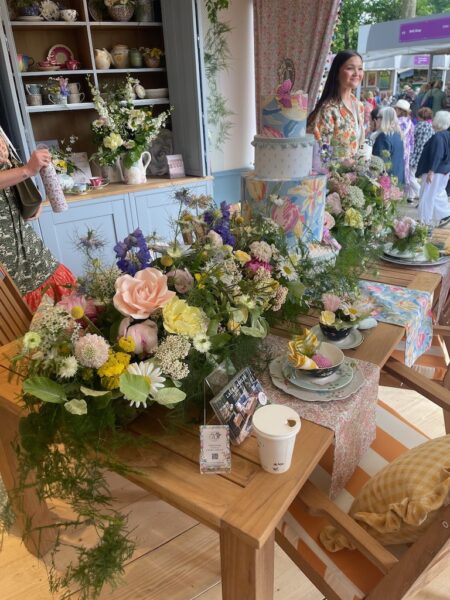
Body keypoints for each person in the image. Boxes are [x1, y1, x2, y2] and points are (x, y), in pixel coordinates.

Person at [0, 128, 76, 311]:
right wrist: (27, 170)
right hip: (4, 245)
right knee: (12, 310)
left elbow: (10, 173)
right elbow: (24, 171)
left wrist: (31, 201)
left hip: (22, 234)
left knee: (52, 282)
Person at [307, 50, 365, 160]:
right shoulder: (328, 109)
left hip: (352, 174)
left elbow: (358, 144)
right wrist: (343, 163)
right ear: (337, 73)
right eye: (350, 68)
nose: (357, 73)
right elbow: (319, 154)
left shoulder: (359, 106)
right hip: (331, 175)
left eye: (360, 68)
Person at [416, 110, 450, 226]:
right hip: (444, 170)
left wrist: (431, 171)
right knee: (438, 193)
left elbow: (437, 154)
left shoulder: (438, 137)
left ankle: (424, 221)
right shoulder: (447, 135)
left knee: (427, 195)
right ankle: (445, 214)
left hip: (435, 170)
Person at [372, 107, 405, 184]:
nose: (376, 120)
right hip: (398, 176)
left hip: (387, 180)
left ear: (383, 119)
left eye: (378, 118)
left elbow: (378, 162)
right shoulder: (398, 135)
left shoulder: (383, 136)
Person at [409, 107, 434, 203]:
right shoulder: (431, 127)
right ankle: (411, 196)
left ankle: (420, 194)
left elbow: (412, 139)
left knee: (410, 176)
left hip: (416, 153)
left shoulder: (418, 126)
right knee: (415, 176)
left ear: (420, 116)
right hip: (425, 155)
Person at [394, 99, 414, 197]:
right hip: (406, 150)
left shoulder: (396, 122)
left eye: (396, 109)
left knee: (395, 168)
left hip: (397, 148)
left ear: (399, 110)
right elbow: (412, 140)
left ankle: (395, 190)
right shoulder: (410, 122)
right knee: (404, 170)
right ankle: (403, 191)